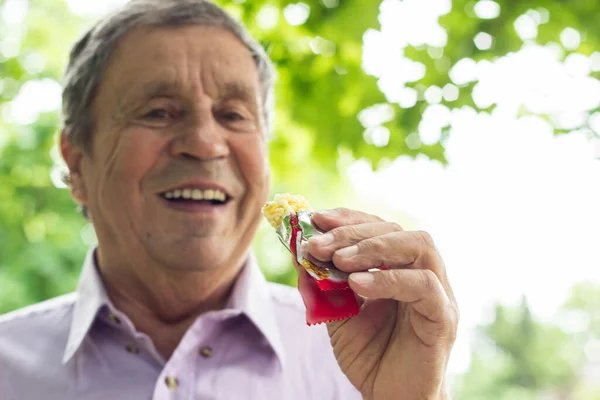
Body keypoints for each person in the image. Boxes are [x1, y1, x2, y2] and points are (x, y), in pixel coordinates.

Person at [0, 0, 458, 399]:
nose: (204, 142)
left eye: (233, 115)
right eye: (157, 111)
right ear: (77, 161)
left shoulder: (362, 362)